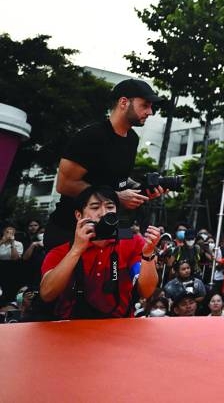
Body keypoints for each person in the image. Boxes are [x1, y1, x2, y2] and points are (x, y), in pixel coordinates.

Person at [46, 80, 165, 249]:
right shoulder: (91, 136)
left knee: (134, 243)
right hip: (69, 230)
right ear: (123, 102)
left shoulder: (131, 139)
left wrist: (143, 189)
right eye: (145, 105)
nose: (150, 112)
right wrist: (116, 196)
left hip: (106, 232)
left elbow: (118, 179)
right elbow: (64, 185)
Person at [39, 186, 161, 319]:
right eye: (95, 207)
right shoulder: (63, 248)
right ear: (79, 215)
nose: (103, 213)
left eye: (110, 207)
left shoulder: (132, 240)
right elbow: (47, 294)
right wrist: (76, 250)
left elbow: (146, 292)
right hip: (72, 326)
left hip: (120, 324)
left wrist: (148, 255)